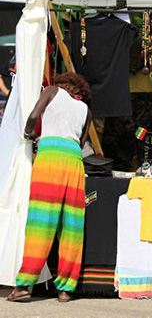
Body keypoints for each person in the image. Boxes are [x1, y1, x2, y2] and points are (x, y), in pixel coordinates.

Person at [7, 72, 92, 303]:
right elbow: (82, 143)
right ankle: (65, 289)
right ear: (80, 92)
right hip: (74, 160)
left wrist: (29, 134)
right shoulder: (85, 109)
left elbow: (35, 115)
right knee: (71, 225)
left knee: (41, 222)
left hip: (50, 157)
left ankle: (24, 286)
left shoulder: (52, 91)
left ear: (62, 84)